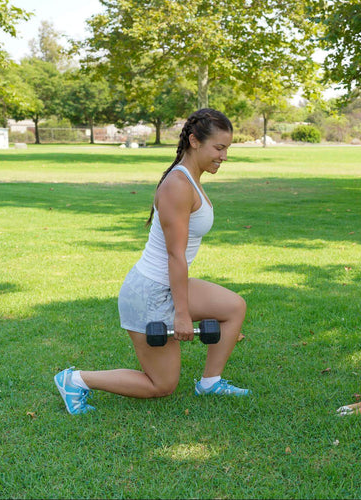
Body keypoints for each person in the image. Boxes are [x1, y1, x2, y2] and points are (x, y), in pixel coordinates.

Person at [54, 108, 250, 415]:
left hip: (169, 285)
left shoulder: (191, 180)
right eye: (219, 148)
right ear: (194, 141)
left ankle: (210, 383)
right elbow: (175, 255)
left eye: (227, 149)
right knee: (161, 385)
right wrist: (182, 315)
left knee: (234, 307)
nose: (224, 156)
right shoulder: (178, 185)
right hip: (149, 294)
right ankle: (76, 379)